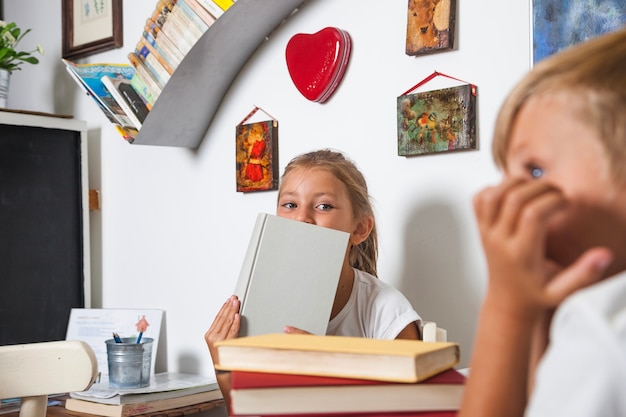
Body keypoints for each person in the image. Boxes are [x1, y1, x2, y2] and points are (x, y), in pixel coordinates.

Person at [459, 29, 626, 417]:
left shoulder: (602, 329)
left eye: (534, 171)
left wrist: (507, 306)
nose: (502, 198)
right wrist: (540, 310)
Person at [205, 149, 421, 410]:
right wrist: (225, 371)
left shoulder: (386, 311)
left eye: (324, 206)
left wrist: (329, 369)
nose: (301, 218)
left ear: (359, 229)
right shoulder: (252, 304)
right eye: (290, 205)